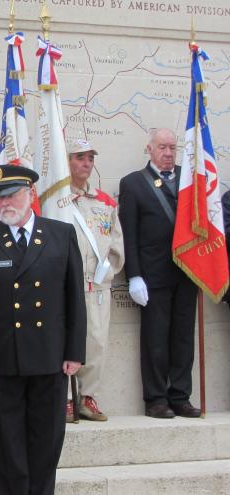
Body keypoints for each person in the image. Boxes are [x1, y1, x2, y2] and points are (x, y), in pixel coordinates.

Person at [0, 165, 86, 495]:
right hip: (0, 364)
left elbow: (74, 298)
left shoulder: (60, 234)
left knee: (46, 442)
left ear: (31, 195)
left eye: (12, 195)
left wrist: (75, 352)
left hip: (49, 358)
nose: (5, 203)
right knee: (6, 445)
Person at [118, 128, 201, 419]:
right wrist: (134, 275)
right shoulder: (133, 184)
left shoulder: (190, 179)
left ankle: (180, 396)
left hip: (187, 272)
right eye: (162, 147)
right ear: (149, 149)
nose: (168, 153)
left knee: (183, 339)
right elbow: (129, 234)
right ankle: (155, 399)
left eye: (172, 148)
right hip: (152, 276)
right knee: (155, 339)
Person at [65, 139, 124, 422]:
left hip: (98, 283)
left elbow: (116, 241)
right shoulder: (56, 199)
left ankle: (88, 396)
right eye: (80, 157)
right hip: (67, 283)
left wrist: (108, 268)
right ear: (67, 160)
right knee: (65, 340)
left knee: (97, 340)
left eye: (90, 158)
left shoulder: (104, 202)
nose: (86, 163)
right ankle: (65, 397)